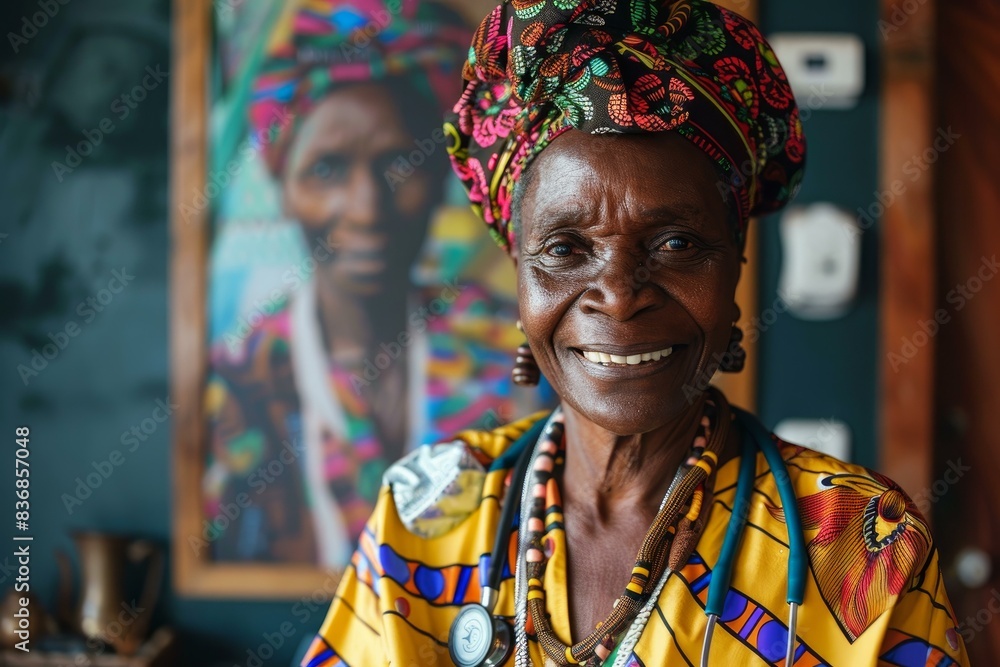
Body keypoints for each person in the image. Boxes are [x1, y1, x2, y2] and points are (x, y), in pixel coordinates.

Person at [301, 1, 969, 665]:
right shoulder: (422, 514)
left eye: (676, 242)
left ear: (735, 268)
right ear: (518, 278)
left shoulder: (860, 543)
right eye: (564, 249)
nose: (619, 298)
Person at [205, 0, 542, 567]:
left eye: (398, 165)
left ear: (440, 175)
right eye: (328, 169)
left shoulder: (508, 352)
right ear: (282, 185)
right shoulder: (245, 375)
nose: (367, 209)